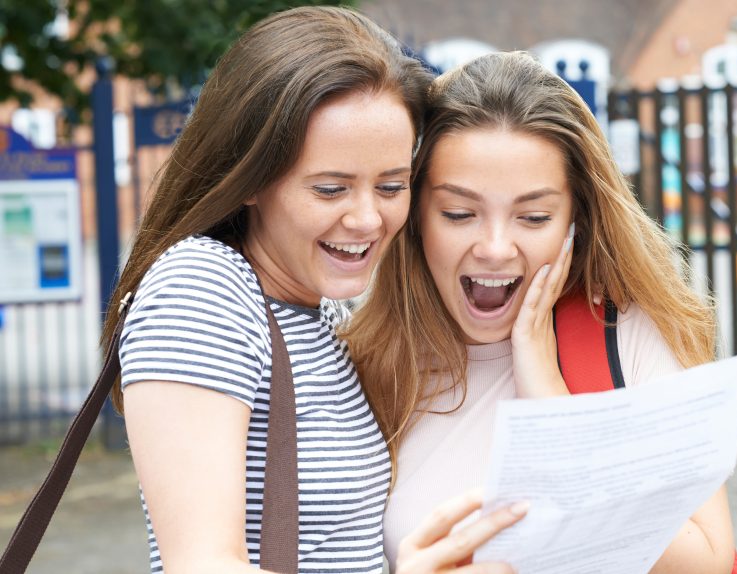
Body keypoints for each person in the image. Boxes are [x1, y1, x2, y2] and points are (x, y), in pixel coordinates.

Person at [102, 8, 524, 574]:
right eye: (330, 189)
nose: (368, 219)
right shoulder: (203, 287)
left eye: (392, 186)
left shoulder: (320, 311)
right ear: (249, 177)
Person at [344, 51, 736, 573]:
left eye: (533, 216)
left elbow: (705, 563)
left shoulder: (628, 334)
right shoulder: (368, 361)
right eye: (459, 213)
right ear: (416, 217)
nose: (495, 247)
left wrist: (549, 398)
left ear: (576, 218)